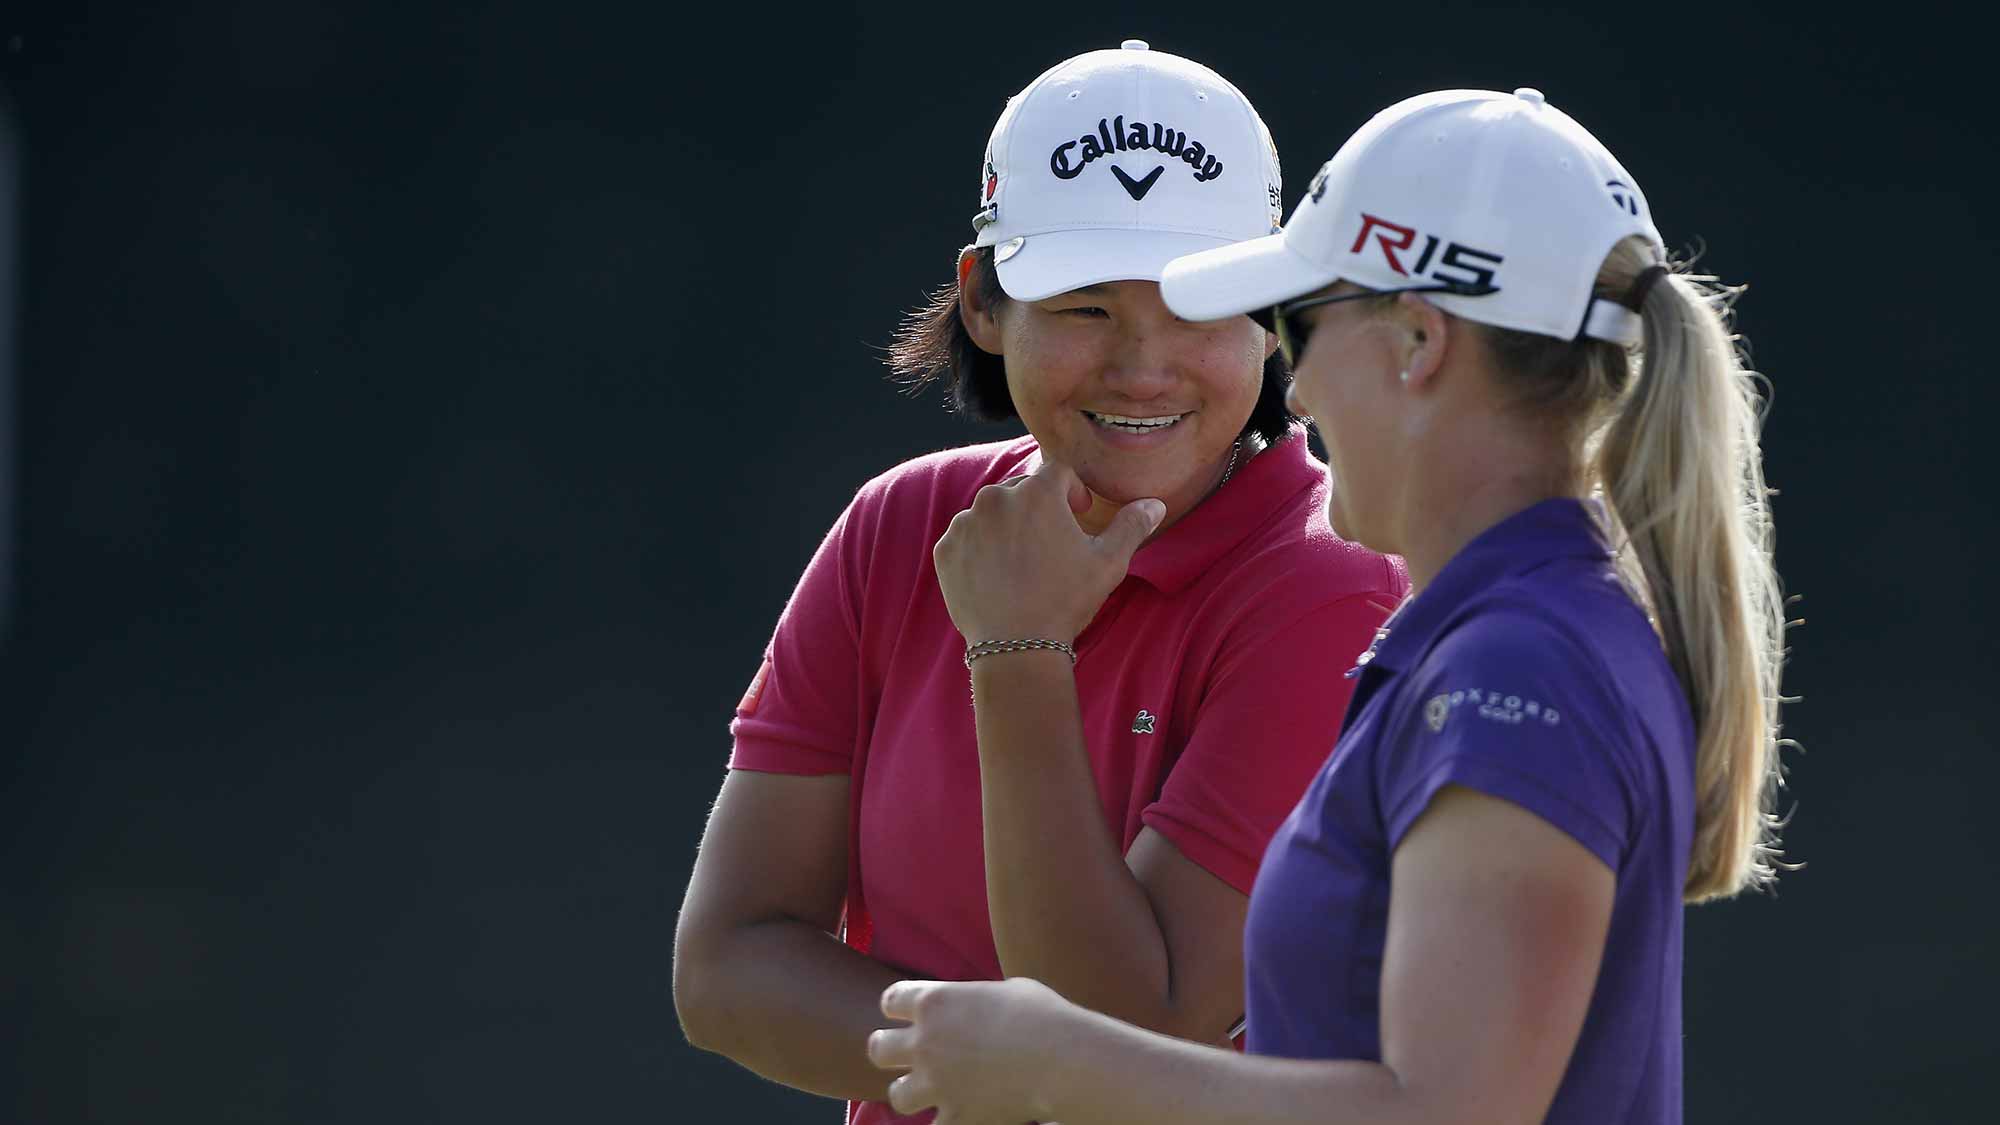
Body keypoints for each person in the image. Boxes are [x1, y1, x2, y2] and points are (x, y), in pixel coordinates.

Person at [867, 87, 1793, 1125]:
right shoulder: (1507, 635)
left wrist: (1059, 1066)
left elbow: (1445, 1115)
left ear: (1416, 341)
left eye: (1301, 326)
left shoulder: (1518, 666)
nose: (1294, 391)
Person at [672, 40, 1407, 1124]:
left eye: (1196, 303)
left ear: (1275, 313)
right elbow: (726, 967)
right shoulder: (900, 526)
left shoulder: (1332, 587)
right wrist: (999, 1059)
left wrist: (1015, 652)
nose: (1141, 364)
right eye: (1083, 306)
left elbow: (1134, 1024)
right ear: (983, 303)